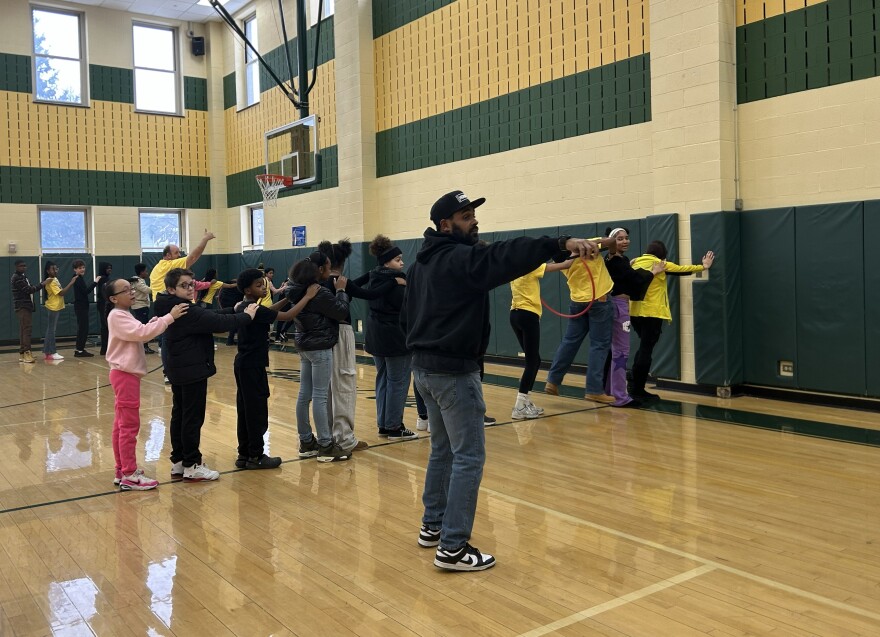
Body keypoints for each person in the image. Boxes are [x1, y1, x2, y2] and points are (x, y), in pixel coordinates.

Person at [405, 189, 598, 571]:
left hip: (424, 369)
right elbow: (504, 255)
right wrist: (560, 242)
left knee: (442, 451)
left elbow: (405, 318)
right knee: (469, 456)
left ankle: (434, 527)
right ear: (446, 224)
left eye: (472, 213)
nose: (473, 220)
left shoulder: (419, 264)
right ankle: (454, 548)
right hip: (453, 373)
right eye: (464, 215)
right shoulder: (458, 259)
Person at [154, 267, 258, 481]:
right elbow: (217, 324)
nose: (190, 289)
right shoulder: (184, 309)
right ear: (171, 288)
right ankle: (192, 464)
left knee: (180, 414)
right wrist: (245, 316)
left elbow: (208, 316)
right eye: (184, 285)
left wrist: (233, 309)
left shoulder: (169, 305)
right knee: (191, 417)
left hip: (179, 367)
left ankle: (180, 462)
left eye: (192, 284)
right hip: (191, 368)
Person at [105, 278, 189, 490]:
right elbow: (142, 334)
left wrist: (155, 322)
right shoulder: (117, 315)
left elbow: (140, 331)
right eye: (125, 290)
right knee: (129, 427)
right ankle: (130, 474)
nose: (131, 292)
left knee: (121, 426)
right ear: (114, 298)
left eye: (131, 288)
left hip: (125, 375)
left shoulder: (123, 314)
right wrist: (169, 318)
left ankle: (122, 470)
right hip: (125, 376)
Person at [232, 269, 320, 469]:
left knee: (245, 410)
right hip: (252, 365)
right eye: (258, 285)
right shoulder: (255, 309)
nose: (263, 287)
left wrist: (288, 297)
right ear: (247, 290)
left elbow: (271, 311)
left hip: (243, 364)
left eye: (263, 284)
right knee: (256, 411)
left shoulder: (245, 306)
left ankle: (244, 453)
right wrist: (307, 297)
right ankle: (256, 455)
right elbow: (287, 316)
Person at [318, 239, 392, 452]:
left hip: (323, 337)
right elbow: (369, 294)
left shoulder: (318, 282)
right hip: (340, 333)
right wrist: (393, 282)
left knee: (329, 389)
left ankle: (329, 435)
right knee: (344, 385)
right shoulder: (337, 282)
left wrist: (370, 274)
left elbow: (353, 285)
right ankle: (344, 438)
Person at [287, 253, 353, 463]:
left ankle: (306, 441)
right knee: (320, 396)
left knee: (304, 394)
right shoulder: (319, 293)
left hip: (304, 345)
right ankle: (325, 444)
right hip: (320, 346)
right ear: (320, 270)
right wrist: (341, 291)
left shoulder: (293, 289)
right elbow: (341, 312)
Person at [629, 241, 715, 401]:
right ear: (663, 255)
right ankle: (637, 389)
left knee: (643, 347)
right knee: (646, 350)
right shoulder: (661, 264)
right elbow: (682, 270)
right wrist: (703, 266)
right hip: (652, 313)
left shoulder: (635, 262)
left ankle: (633, 382)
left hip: (634, 313)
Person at [543, 233, 619, 402]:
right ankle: (593, 389)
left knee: (570, 341)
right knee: (599, 344)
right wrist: (603, 245)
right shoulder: (587, 245)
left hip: (577, 301)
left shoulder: (559, 259)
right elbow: (612, 241)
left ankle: (553, 381)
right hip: (599, 298)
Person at [602, 228, 665, 407]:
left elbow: (628, 274)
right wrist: (654, 272)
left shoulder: (622, 260)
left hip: (620, 305)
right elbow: (634, 279)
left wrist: (631, 265)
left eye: (626, 238)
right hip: (618, 307)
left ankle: (610, 391)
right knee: (621, 352)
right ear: (611, 242)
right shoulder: (615, 260)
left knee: (616, 351)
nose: (625, 241)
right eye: (620, 239)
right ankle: (620, 397)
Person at [365, 234, 416, 439]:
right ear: (386, 262)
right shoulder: (397, 284)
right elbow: (409, 309)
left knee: (383, 379)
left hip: (376, 337)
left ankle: (384, 424)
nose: (402, 263)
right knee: (398, 381)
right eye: (398, 259)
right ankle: (395, 426)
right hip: (395, 338)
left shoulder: (373, 278)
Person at [508, 257, 573, 419]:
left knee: (534, 360)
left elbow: (548, 265)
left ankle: (525, 401)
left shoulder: (514, 267)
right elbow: (564, 265)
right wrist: (576, 253)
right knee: (533, 361)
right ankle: (520, 404)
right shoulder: (530, 266)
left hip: (515, 315)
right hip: (527, 315)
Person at [150, 231, 216, 380]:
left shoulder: (157, 268)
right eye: (176, 253)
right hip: (171, 304)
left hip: (163, 304)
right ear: (167, 256)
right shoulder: (169, 266)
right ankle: (172, 372)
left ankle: (174, 371)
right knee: (170, 340)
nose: (179, 255)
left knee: (172, 339)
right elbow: (192, 257)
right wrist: (205, 239)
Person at [11, 260, 48, 364]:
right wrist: (43, 284)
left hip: (26, 306)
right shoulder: (17, 278)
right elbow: (29, 290)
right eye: (21, 266)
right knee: (27, 330)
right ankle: (27, 353)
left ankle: (23, 354)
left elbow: (30, 288)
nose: (23, 267)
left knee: (24, 329)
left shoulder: (23, 277)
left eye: (25, 265)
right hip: (22, 306)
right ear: (16, 267)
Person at [42, 261, 78, 362]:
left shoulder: (54, 279)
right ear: (48, 271)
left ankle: (47, 351)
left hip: (56, 306)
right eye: (53, 269)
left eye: (56, 268)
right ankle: (53, 352)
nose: (55, 270)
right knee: (51, 331)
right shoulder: (50, 281)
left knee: (50, 330)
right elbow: (61, 293)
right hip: (53, 307)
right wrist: (71, 282)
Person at [71, 260, 98, 358]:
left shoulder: (80, 278)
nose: (82, 269)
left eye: (83, 267)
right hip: (80, 307)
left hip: (82, 306)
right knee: (83, 329)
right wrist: (95, 282)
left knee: (83, 328)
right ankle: (79, 350)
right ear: (75, 269)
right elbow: (86, 291)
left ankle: (80, 349)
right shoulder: (77, 279)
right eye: (79, 268)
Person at [130, 263, 156, 354]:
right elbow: (147, 290)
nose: (147, 273)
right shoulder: (138, 281)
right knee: (143, 327)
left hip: (141, 306)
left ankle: (142, 346)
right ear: (141, 272)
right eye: (146, 271)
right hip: (140, 306)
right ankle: (143, 347)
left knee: (142, 326)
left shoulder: (137, 280)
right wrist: (157, 287)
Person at [218, 280, 245, 345]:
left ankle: (230, 340)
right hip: (233, 303)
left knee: (233, 321)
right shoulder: (239, 287)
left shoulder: (226, 288)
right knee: (236, 321)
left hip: (226, 303)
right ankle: (232, 340)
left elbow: (219, 297)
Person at [95, 262, 113, 355]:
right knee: (105, 326)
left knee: (106, 326)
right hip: (103, 304)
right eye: (107, 268)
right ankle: (105, 348)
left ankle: (106, 348)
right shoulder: (102, 279)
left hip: (105, 303)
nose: (109, 269)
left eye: (110, 268)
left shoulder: (107, 278)